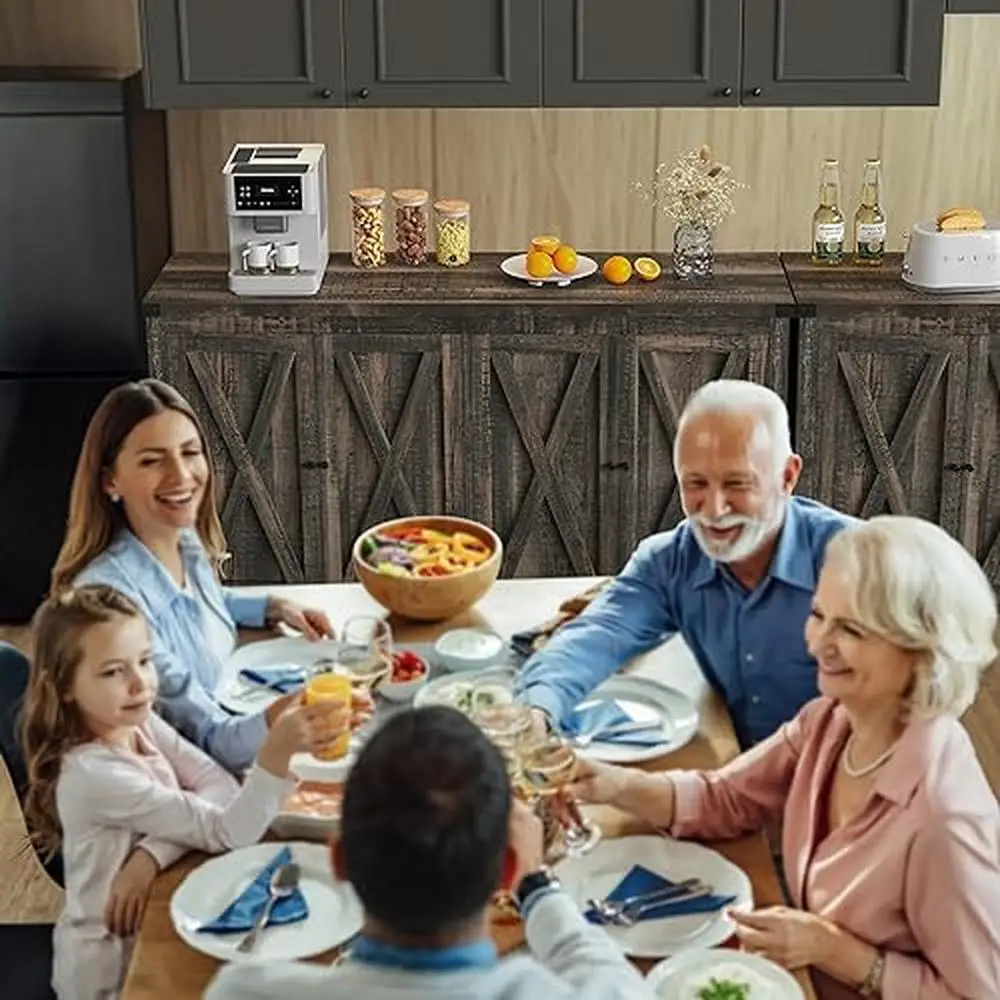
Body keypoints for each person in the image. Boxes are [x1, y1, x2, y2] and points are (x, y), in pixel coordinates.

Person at [568, 516, 1000, 999]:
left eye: (851, 630)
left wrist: (840, 953)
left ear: (922, 653)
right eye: (819, 616)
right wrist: (611, 784)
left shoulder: (946, 825)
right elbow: (726, 798)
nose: (818, 644)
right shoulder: (832, 722)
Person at [22, 584, 347, 1000]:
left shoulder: (133, 721)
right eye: (112, 671)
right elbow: (231, 831)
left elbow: (219, 784)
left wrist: (149, 855)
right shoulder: (94, 774)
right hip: (112, 976)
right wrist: (276, 751)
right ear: (65, 686)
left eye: (144, 660)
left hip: (158, 911)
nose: (139, 683)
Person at [203, 705, 657, 1000]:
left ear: (339, 860)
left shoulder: (241, 992)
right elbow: (606, 974)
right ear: (506, 873)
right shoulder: (538, 991)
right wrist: (536, 886)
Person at [514, 379, 856, 748]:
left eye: (737, 484)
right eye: (695, 484)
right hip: (733, 774)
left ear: (787, 477)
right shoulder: (668, 561)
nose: (713, 510)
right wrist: (537, 710)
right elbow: (594, 637)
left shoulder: (863, 562)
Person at [50, 378, 368, 774]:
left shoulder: (182, 540)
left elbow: (200, 604)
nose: (181, 475)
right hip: (185, 786)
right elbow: (212, 741)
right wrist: (298, 712)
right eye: (152, 460)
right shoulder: (113, 604)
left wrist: (273, 607)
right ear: (109, 480)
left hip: (232, 729)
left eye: (190, 452)